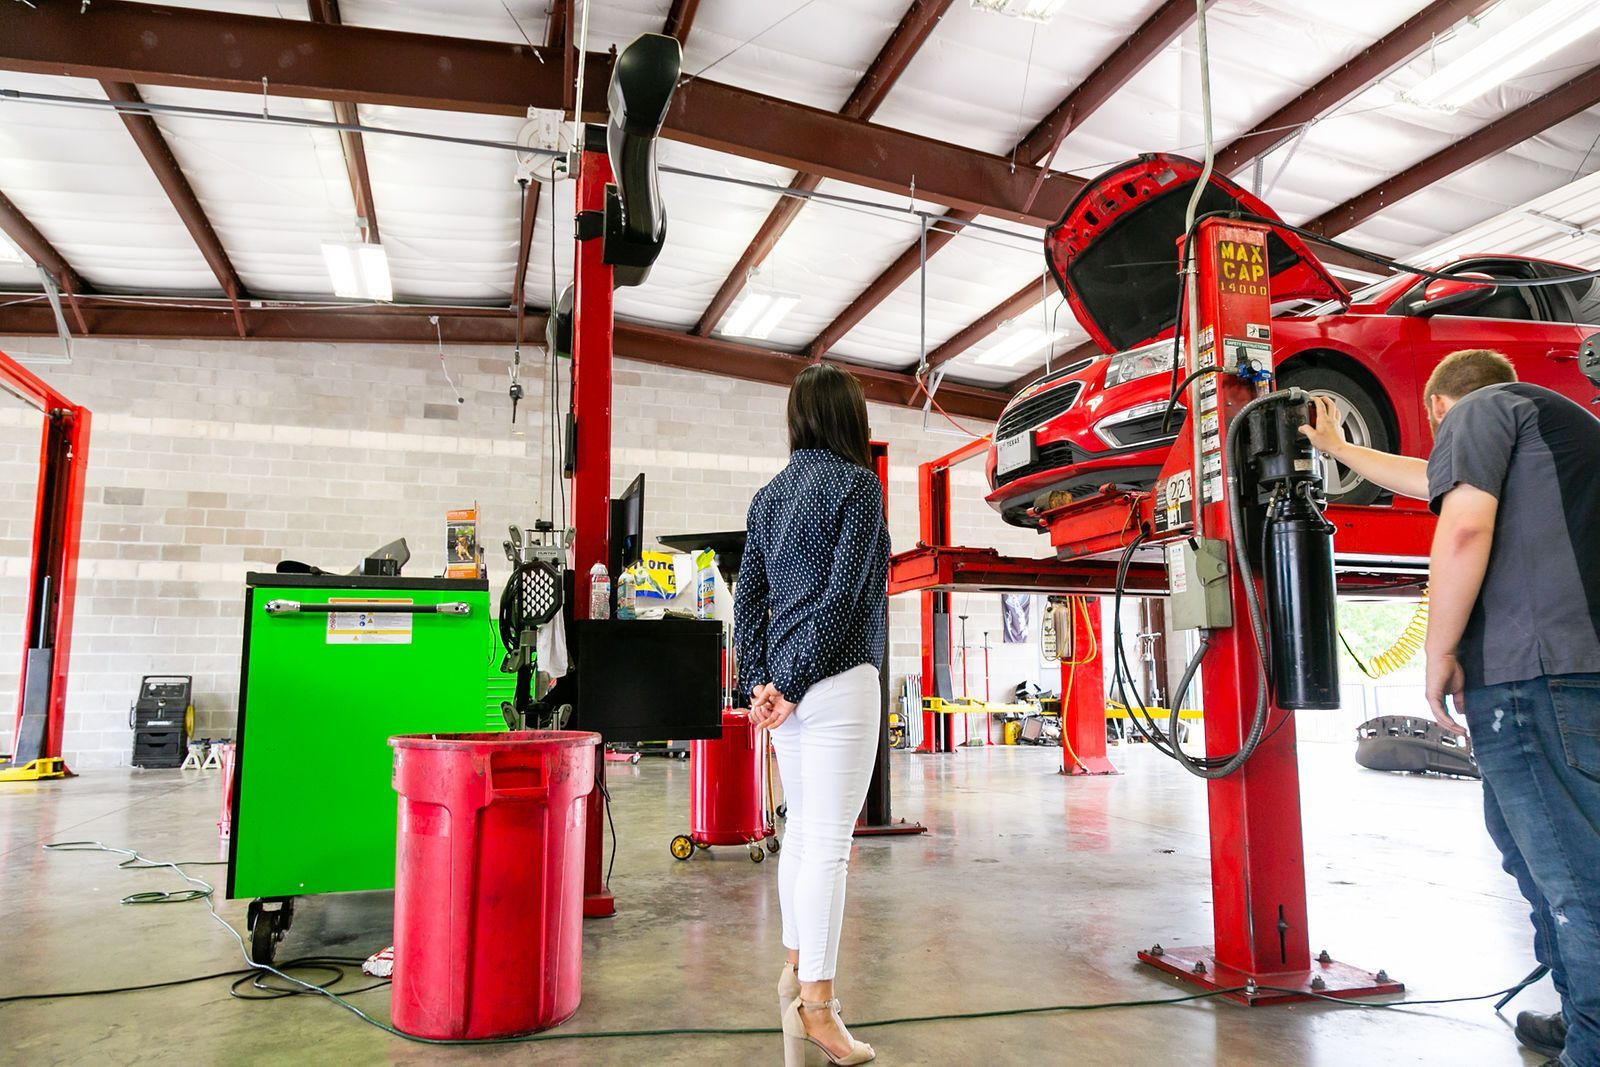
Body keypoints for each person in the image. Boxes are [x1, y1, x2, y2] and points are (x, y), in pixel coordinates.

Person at [1301, 348, 1600, 1067]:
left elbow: (1463, 525)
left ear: (1439, 408)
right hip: (1569, 672)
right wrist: (1338, 448)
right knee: (1549, 859)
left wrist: (1438, 651)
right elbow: (1426, 479)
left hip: (1531, 676)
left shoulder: (1480, 408)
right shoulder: (1558, 428)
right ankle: (1581, 1010)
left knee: (1567, 870)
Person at [735, 363, 888, 1067]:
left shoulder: (767, 497)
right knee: (826, 846)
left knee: (801, 838)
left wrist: (760, 683)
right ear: (848, 418)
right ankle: (819, 1008)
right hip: (837, 683)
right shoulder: (858, 486)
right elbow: (847, 599)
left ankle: (796, 972)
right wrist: (791, 683)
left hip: (789, 698)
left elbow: (749, 601)